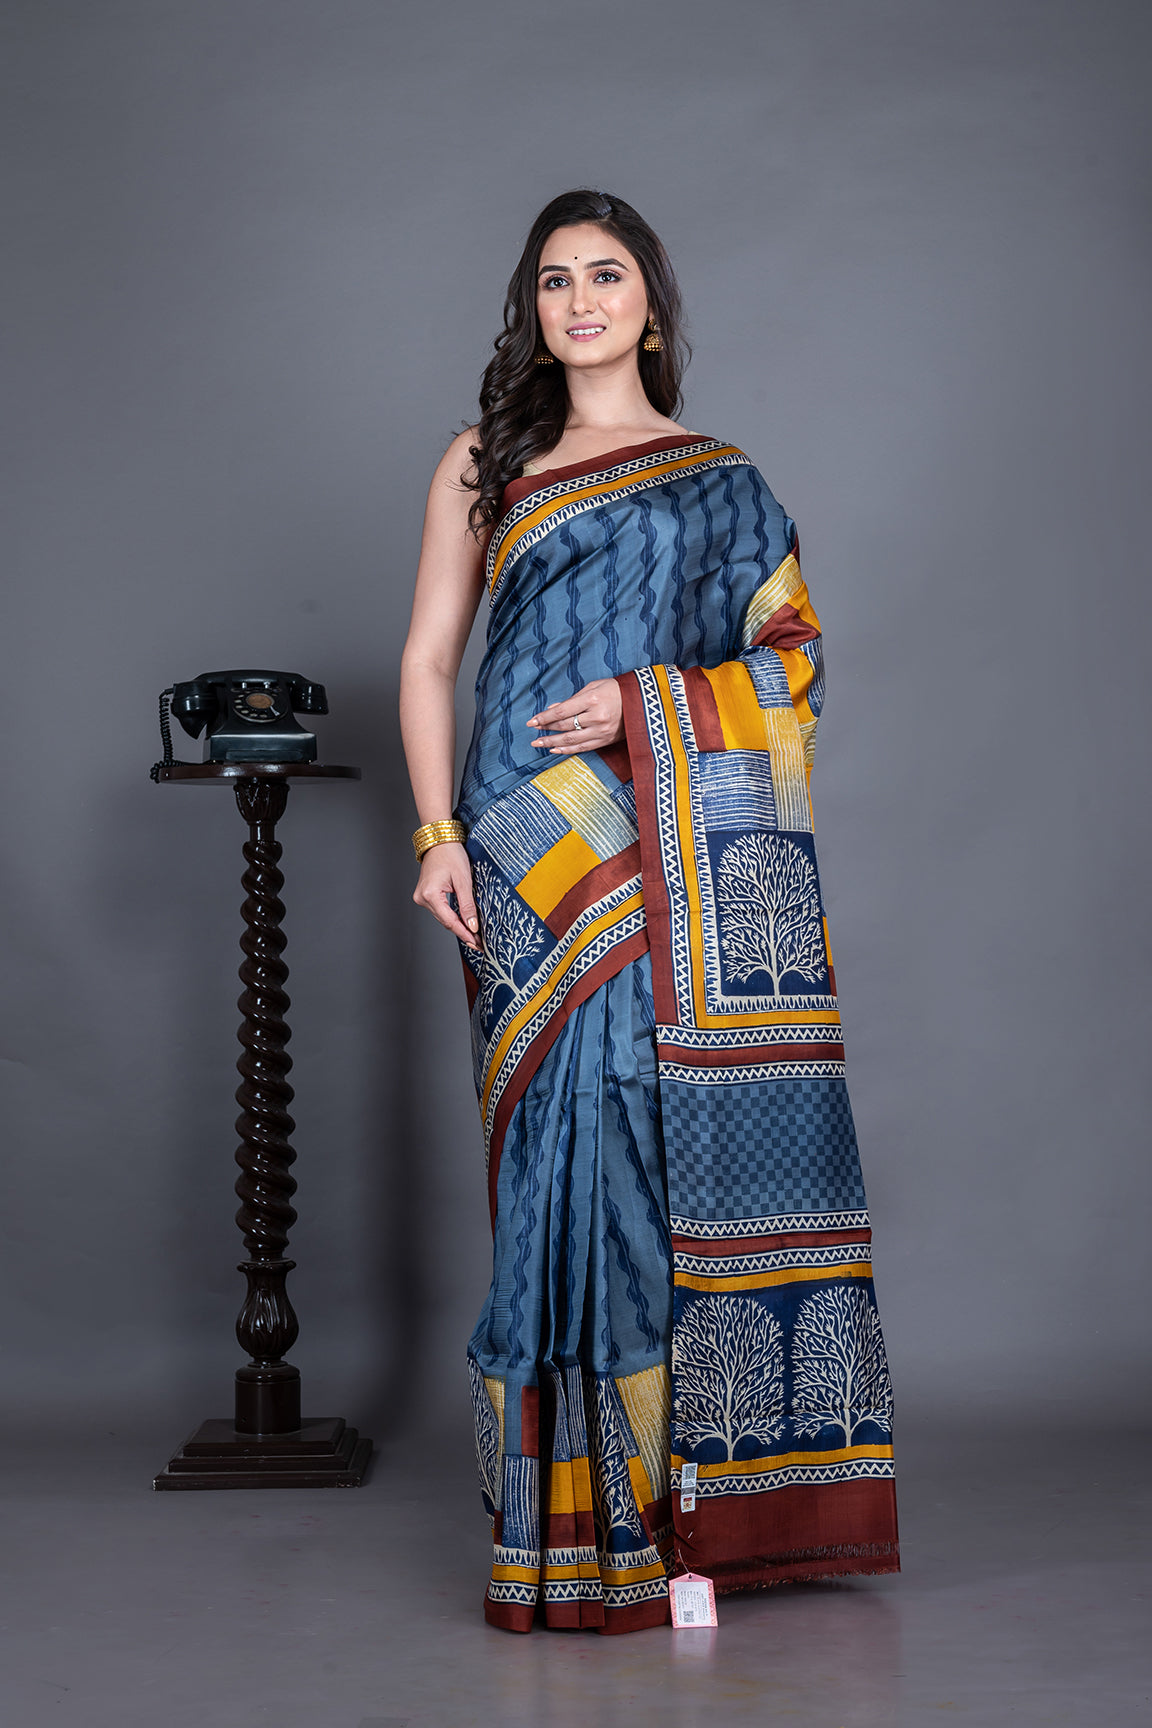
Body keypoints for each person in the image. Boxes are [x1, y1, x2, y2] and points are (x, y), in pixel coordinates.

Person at [399, 189, 899, 1634]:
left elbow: (790, 665)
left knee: (638, 1131)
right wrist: (436, 836)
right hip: (521, 841)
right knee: (550, 1154)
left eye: (606, 276)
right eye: (555, 281)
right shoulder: (485, 461)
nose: (581, 302)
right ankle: (556, 1537)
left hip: (652, 840)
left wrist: (640, 706)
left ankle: (658, 1524)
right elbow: (428, 658)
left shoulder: (720, 481)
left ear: (653, 307)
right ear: (533, 310)